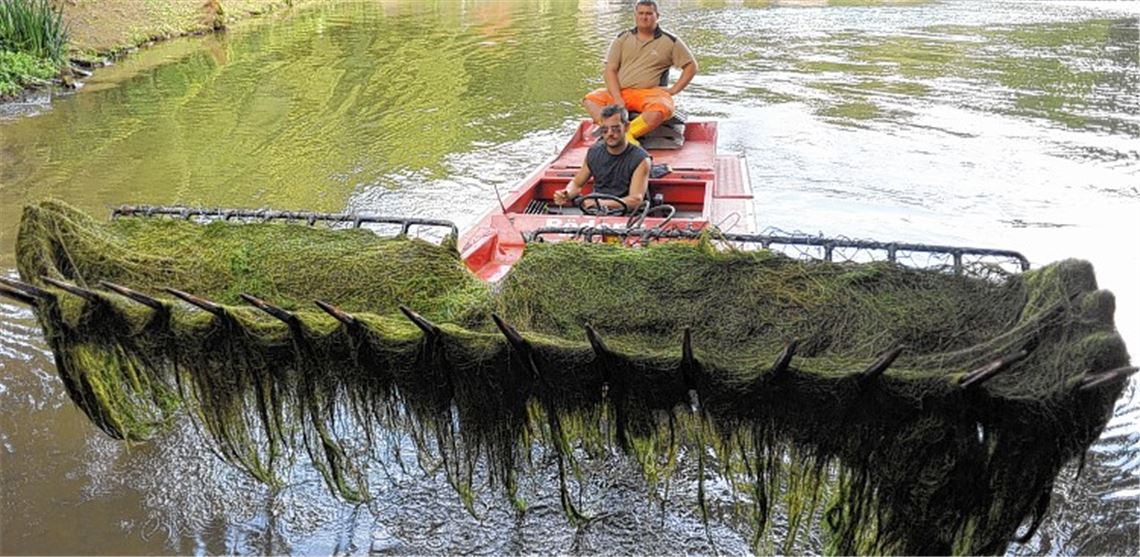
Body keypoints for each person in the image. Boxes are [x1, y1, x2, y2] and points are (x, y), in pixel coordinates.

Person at [582, 0, 698, 146]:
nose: (644, 17)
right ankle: (610, 129)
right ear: (635, 15)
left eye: (649, 14)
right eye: (641, 13)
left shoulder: (670, 41)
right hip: (621, 92)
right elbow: (610, 70)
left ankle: (628, 134)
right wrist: (617, 98)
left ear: (657, 16)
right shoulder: (622, 38)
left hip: (650, 93)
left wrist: (674, 89)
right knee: (590, 100)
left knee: (662, 108)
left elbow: (691, 66)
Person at [554, 105, 650, 213]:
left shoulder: (641, 159)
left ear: (626, 127)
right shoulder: (594, 152)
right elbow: (577, 184)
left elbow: (635, 200)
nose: (610, 133)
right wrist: (566, 193)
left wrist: (599, 203)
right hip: (596, 212)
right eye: (605, 130)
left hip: (627, 215)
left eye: (615, 129)